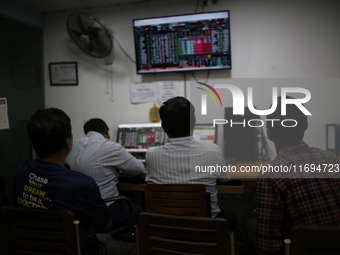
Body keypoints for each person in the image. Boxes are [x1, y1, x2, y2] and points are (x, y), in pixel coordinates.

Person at [13, 108, 137, 255]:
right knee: (136, 249)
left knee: (107, 238)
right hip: (77, 249)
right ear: (68, 143)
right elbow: (105, 224)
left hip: (32, 247)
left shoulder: (21, 172)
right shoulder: (81, 184)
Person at [236, 96, 340, 255]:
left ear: (268, 131)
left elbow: (267, 246)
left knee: (245, 227)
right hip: (334, 247)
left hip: (300, 248)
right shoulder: (331, 159)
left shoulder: (271, 174)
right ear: (305, 125)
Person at [145, 96, 236, 228]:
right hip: (205, 225)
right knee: (232, 216)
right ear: (194, 122)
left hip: (167, 226)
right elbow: (224, 179)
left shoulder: (151, 155)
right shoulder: (213, 151)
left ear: (163, 127)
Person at [67, 118, 144, 228]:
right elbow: (138, 169)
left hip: (78, 211)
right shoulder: (110, 146)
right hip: (104, 210)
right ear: (105, 131)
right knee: (142, 210)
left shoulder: (73, 146)